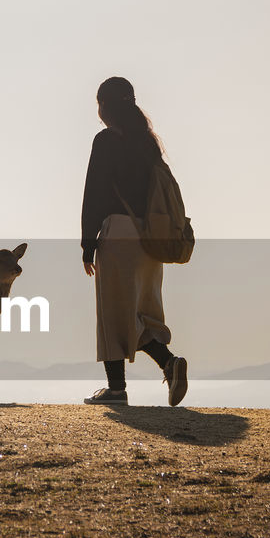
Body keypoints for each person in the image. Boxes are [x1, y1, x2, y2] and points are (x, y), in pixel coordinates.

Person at [81, 76, 188, 406]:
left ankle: (116, 389)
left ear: (103, 106)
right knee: (143, 312)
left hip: (118, 234)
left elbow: (94, 195)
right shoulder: (148, 143)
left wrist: (88, 244)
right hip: (151, 238)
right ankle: (168, 363)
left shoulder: (106, 141)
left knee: (114, 313)